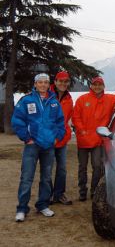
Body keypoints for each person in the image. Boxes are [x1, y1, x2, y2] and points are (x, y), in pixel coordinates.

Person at [11, 73, 65, 222]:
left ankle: (43, 205)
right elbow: (17, 120)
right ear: (35, 84)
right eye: (39, 82)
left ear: (49, 85)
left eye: (45, 82)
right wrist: (27, 138)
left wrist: (56, 138)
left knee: (46, 178)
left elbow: (61, 122)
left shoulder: (54, 102)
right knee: (26, 177)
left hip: (48, 146)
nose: (42, 85)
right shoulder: (26, 100)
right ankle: (22, 209)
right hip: (32, 145)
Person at [72, 76, 115, 201]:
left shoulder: (109, 99)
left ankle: (94, 191)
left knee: (97, 166)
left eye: (100, 84)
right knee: (82, 167)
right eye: (95, 84)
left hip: (98, 140)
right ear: (91, 86)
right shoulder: (82, 99)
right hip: (83, 139)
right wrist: (82, 131)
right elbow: (76, 117)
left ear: (103, 86)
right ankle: (82, 191)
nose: (97, 87)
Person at [50, 71, 73, 205]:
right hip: (49, 139)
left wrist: (67, 133)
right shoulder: (47, 96)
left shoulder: (69, 99)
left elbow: (68, 119)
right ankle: (47, 195)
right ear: (55, 81)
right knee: (47, 169)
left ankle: (59, 194)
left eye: (66, 82)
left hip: (62, 139)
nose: (63, 84)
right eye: (61, 81)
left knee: (62, 169)